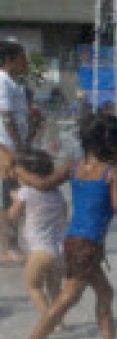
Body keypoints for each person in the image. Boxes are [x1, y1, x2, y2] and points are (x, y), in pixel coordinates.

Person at [15, 113, 117, 339]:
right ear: (111, 144)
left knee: (105, 292)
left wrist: (16, 169)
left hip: (72, 241)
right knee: (68, 297)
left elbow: (42, 183)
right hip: (88, 246)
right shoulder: (112, 173)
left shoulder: (73, 166)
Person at [7, 150, 66, 329]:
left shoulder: (25, 192)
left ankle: (50, 322)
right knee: (54, 290)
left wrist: (13, 202)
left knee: (33, 287)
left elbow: (13, 216)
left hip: (40, 251)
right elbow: (64, 215)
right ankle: (60, 322)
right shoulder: (57, 193)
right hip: (59, 249)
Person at [0, 41, 32, 263]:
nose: (26, 62)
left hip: (12, 146)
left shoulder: (12, 83)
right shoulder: (2, 82)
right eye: (23, 57)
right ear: (10, 59)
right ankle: (8, 247)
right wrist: (18, 146)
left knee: (16, 196)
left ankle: (14, 244)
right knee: (9, 197)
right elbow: (6, 116)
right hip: (6, 148)